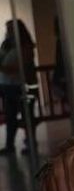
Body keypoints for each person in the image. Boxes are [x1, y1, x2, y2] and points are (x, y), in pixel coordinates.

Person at [0, 19, 36, 155]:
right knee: (10, 117)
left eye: (10, 29)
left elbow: (19, 68)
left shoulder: (25, 46)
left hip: (22, 85)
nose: (8, 32)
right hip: (8, 85)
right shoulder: (7, 45)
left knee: (27, 117)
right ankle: (10, 145)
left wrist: (3, 68)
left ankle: (30, 144)